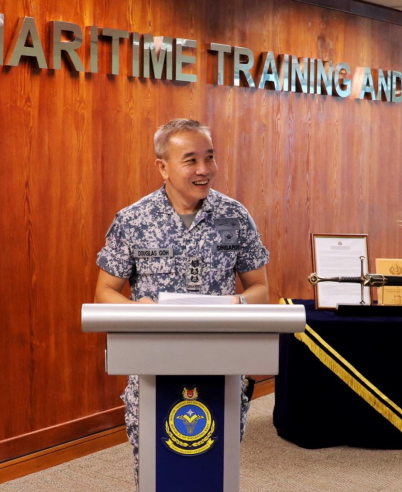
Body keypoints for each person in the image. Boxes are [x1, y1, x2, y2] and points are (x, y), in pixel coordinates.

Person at [94, 118, 270, 484]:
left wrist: (237, 303)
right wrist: (136, 310)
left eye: (210, 157)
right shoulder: (133, 220)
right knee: (158, 469)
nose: (204, 170)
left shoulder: (234, 216)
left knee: (215, 465)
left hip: (222, 362)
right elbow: (105, 292)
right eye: (191, 160)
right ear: (163, 166)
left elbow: (259, 288)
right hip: (153, 365)